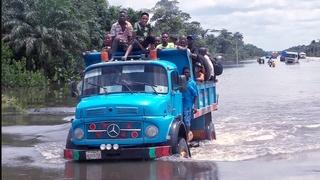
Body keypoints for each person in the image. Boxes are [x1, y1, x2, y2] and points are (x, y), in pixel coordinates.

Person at [182, 67, 199, 142]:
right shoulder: (181, 83)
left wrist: (195, 106)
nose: (186, 74)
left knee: (186, 121)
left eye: (187, 72)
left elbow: (196, 95)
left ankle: (187, 139)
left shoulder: (191, 83)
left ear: (189, 73)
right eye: (185, 72)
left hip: (188, 106)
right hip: (180, 105)